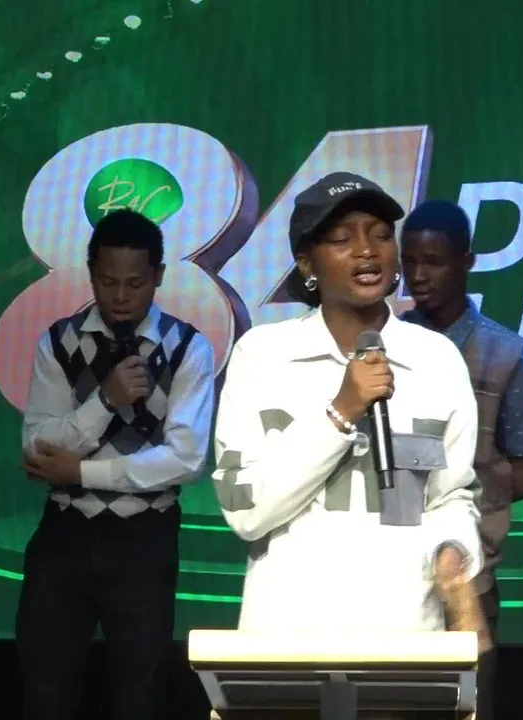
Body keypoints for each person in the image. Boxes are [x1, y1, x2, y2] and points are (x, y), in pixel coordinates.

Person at [210, 172, 489, 641]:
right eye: (342, 239)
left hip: (404, 637)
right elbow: (246, 511)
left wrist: (453, 556)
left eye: (380, 235)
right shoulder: (262, 355)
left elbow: (450, 497)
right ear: (307, 263)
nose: (366, 250)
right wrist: (340, 412)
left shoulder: (436, 360)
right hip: (285, 638)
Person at [17, 208, 216, 720]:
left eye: (135, 282)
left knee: (138, 698)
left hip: (145, 540)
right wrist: (104, 401)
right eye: (108, 282)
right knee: (45, 693)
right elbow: (38, 448)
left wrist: (80, 472)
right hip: (64, 536)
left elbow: (185, 458)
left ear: (159, 276)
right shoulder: (59, 342)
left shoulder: (187, 348)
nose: (121, 296)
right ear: (91, 274)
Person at [399, 199, 523, 720]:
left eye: (433, 262)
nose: (418, 275)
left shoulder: (507, 354)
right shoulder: (385, 344)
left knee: (466, 709)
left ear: (466, 262)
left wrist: (454, 490)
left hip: (468, 571)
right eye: (409, 262)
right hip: (387, 570)